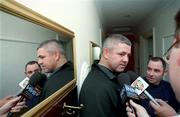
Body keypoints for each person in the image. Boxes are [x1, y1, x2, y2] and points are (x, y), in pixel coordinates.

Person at [126, 9, 180, 117]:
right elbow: (130, 107)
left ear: (165, 72)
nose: (150, 73)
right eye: (149, 69)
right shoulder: (138, 83)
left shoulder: (170, 88)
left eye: (156, 70)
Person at [79, 34, 132, 117]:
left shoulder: (113, 75)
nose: (126, 60)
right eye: (121, 54)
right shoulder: (97, 88)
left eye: (128, 55)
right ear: (106, 53)